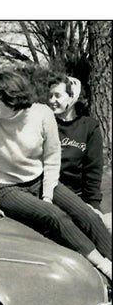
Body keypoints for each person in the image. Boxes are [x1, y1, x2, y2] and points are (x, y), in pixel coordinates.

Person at [0, 71, 111, 278]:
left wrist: (47, 194)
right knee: (55, 216)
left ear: (11, 100)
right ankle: (104, 267)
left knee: (88, 215)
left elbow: (52, 155)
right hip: (7, 187)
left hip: (40, 180)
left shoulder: (41, 114)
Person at [48, 74, 105, 212]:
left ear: (72, 96)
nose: (51, 100)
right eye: (50, 96)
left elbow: (93, 170)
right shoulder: (46, 123)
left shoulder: (89, 127)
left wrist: (94, 205)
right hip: (47, 196)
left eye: (57, 95)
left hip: (76, 198)